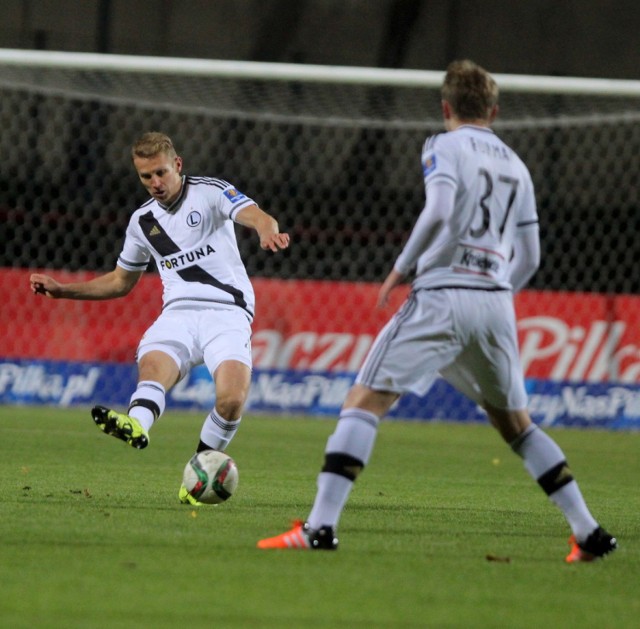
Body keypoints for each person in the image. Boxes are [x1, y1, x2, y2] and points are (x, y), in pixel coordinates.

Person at [257, 60, 616, 563]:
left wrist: (401, 268)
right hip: (495, 302)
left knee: (364, 402)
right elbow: (531, 256)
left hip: (442, 295)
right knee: (518, 426)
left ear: (446, 107)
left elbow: (441, 209)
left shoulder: (442, 145)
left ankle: (320, 527)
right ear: (494, 110)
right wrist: (492, 296)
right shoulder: (517, 164)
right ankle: (589, 533)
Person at [30, 131, 290, 505]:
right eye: (145, 176)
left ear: (178, 166)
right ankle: (137, 423)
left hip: (226, 312)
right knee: (154, 363)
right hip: (179, 313)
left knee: (231, 399)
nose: (154, 183)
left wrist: (266, 228)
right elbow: (121, 282)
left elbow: (253, 214)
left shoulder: (209, 191)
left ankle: (198, 473)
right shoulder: (142, 222)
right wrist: (63, 290)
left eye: (160, 173)